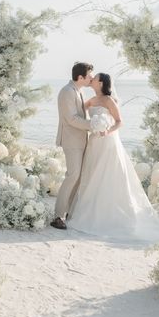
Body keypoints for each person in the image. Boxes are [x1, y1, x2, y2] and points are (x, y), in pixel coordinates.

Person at [67, 72, 159, 243]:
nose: (92, 79)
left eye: (95, 78)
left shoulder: (108, 100)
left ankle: (112, 215)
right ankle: (88, 211)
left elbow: (119, 121)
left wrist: (107, 130)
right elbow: (79, 112)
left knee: (107, 174)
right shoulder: (91, 100)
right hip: (94, 143)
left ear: (101, 83)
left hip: (108, 141)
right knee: (91, 175)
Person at [50, 62, 93, 230]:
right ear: (80, 77)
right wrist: (92, 124)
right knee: (72, 175)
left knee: (78, 177)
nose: (91, 78)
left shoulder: (78, 91)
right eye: (89, 75)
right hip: (71, 140)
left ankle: (67, 212)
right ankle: (58, 216)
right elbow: (71, 119)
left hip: (81, 139)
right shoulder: (67, 92)